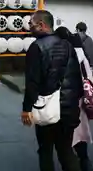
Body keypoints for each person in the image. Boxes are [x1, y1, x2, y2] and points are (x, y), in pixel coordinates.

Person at [22, 10, 83, 171]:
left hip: (47, 108)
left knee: (45, 150)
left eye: (31, 24)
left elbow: (33, 82)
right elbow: (77, 77)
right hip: (69, 107)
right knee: (66, 150)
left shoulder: (36, 47)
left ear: (41, 25)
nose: (29, 27)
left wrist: (26, 109)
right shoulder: (68, 45)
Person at [56, 27, 93, 171]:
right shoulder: (80, 53)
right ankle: (85, 162)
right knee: (80, 134)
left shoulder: (61, 54)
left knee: (66, 138)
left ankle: (73, 164)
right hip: (80, 99)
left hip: (65, 101)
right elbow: (89, 76)